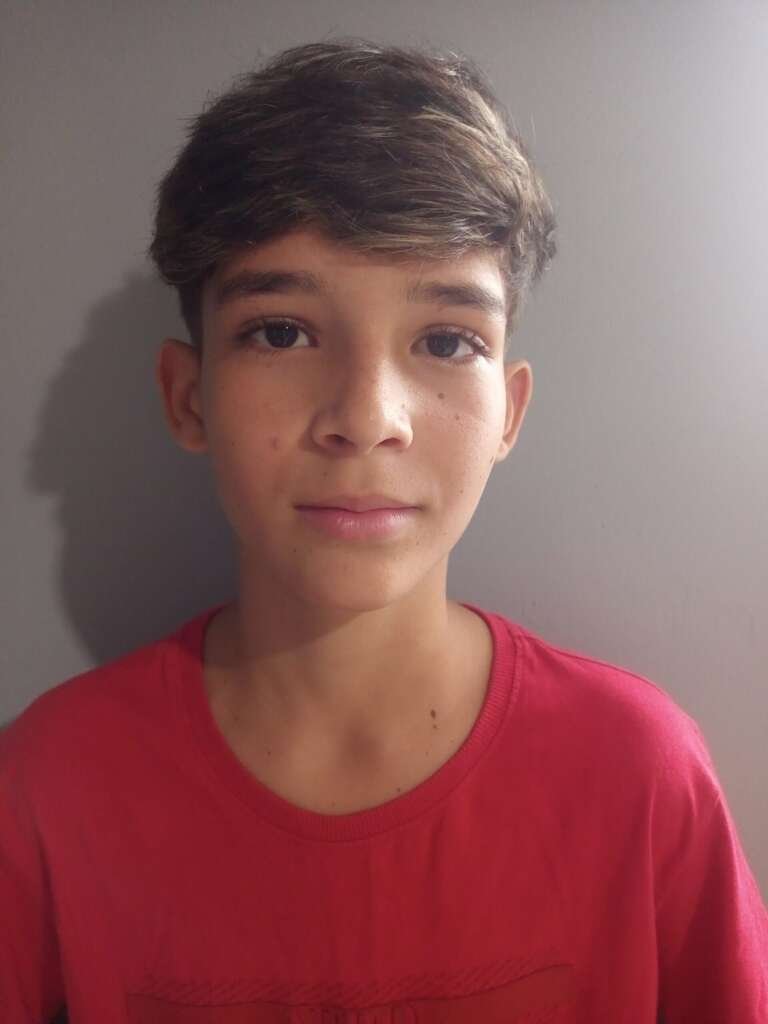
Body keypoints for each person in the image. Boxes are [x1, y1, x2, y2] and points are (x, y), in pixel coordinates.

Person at [2, 37, 766, 1024]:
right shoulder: (50, 788)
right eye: (281, 331)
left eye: (446, 340)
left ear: (508, 413)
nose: (367, 417)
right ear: (188, 397)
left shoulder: (639, 776)